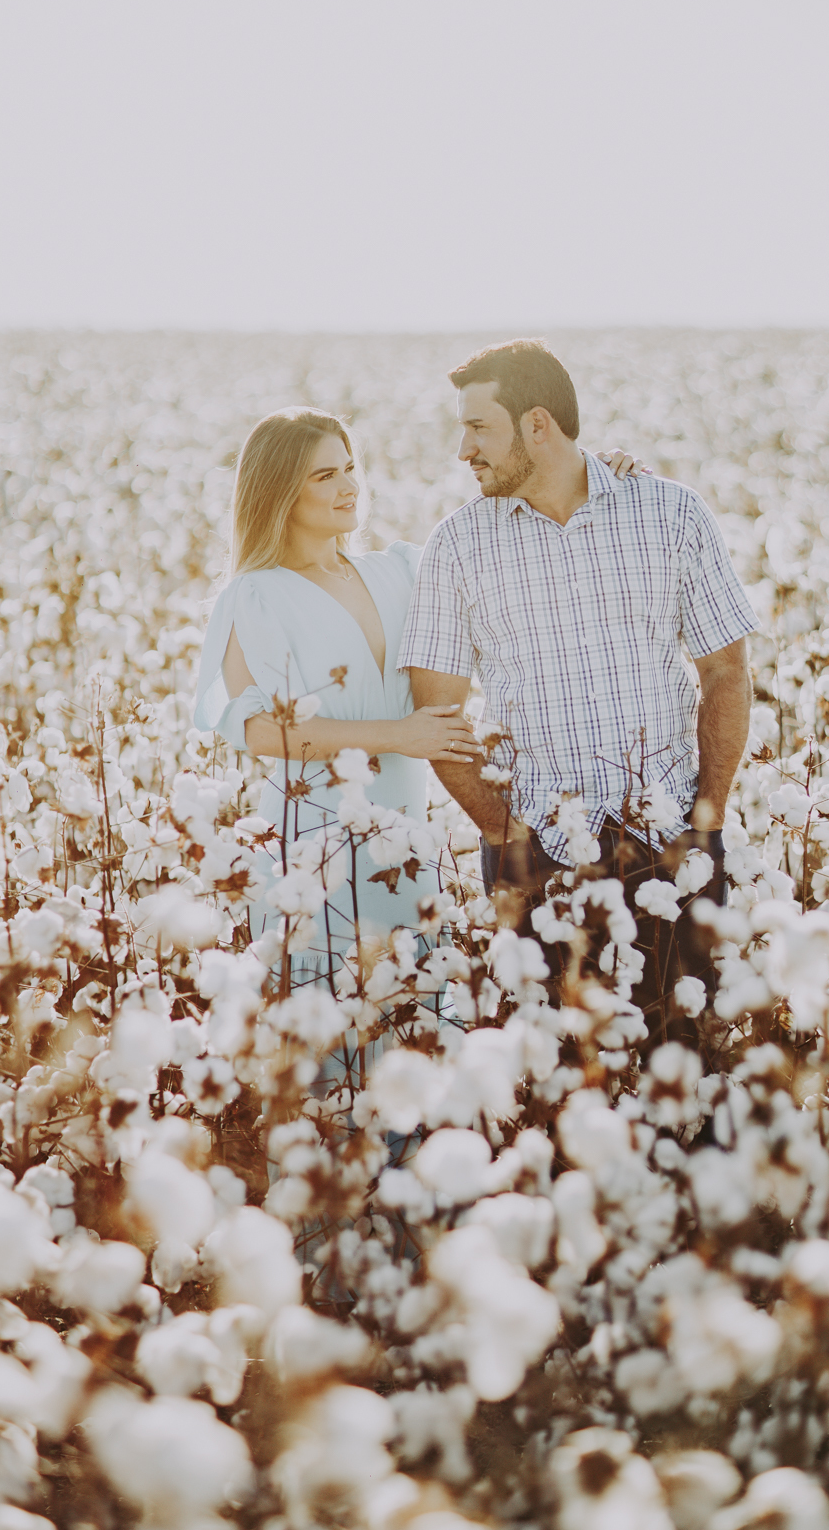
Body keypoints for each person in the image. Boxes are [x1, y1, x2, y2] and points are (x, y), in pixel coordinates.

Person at [398, 340, 760, 1034]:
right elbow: (436, 713)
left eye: (478, 429)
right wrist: (507, 834)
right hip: (532, 853)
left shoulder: (670, 513)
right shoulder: (457, 545)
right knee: (557, 1083)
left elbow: (724, 671)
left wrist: (706, 819)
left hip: (671, 841)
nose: (462, 450)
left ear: (537, 425)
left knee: (684, 1062)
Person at [194, 407, 482, 976]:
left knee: (411, 1020)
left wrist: (603, 477)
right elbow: (261, 732)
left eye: (349, 468)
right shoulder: (255, 595)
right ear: (279, 492)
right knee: (325, 1033)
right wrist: (400, 735)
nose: (350, 486)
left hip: (406, 841)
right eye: (325, 476)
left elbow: (502, 563)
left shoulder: (401, 570)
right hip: (312, 851)